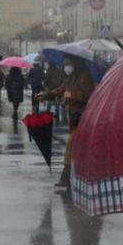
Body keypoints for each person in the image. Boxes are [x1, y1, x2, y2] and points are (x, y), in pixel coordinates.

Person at [38, 56, 95, 191]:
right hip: (74, 118)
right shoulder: (71, 77)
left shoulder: (84, 77)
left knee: (71, 145)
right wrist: (46, 95)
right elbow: (60, 90)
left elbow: (89, 96)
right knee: (79, 148)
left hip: (83, 117)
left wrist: (71, 95)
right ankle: (81, 176)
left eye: (67, 64)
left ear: (75, 63)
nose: (65, 67)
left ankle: (66, 177)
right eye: (64, 64)